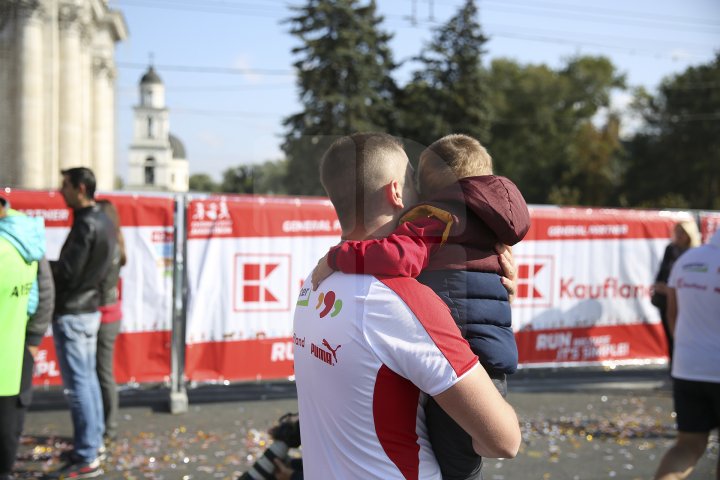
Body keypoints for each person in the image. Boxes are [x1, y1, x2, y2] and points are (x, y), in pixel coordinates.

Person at [293, 133, 521, 479]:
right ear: (396, 191)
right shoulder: (402, 301)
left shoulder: (314, 282)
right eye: (415, 181)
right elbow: (503, 441)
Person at [48, 167, 116, 479]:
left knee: (80, 387)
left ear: (79, 188)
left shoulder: (87, 223)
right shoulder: (102, 219)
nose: (60, 192)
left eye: (64, 186)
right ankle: (91, 444)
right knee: (86, 382)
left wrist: (41, 264)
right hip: (87, 310)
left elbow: (67, 273)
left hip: (75, 313)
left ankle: (88, 452)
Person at [653, 227, 720, 480]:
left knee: (687, 445)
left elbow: (672, 315)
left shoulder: (688, 259)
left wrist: (685, 348)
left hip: (687, 367)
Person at [0, 196, 49, 480]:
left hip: (17, 344)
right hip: (15, 342)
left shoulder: (14, 240)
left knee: (9, 416)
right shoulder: (23, 233)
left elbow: (44, 291)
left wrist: (32, 339)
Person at [95, 199, 127, 444]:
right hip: (109, 313)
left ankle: (110, 425)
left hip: (104, 314)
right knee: (101, 373)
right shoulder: (116, 241)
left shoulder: (108, 244)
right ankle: (107, 424)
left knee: (103, 373)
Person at [651, 220, 701, 360]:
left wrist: (671, 290)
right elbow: (662, 273)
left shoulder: (696, 253)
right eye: (677, 232)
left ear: (689, 235)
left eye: (682, 232)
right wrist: (660, 287)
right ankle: (674, 368)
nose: (678, 236)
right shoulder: (670, 249)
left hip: (685, 302)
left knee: (686, 337)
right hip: (668, 301)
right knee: (671, 337)